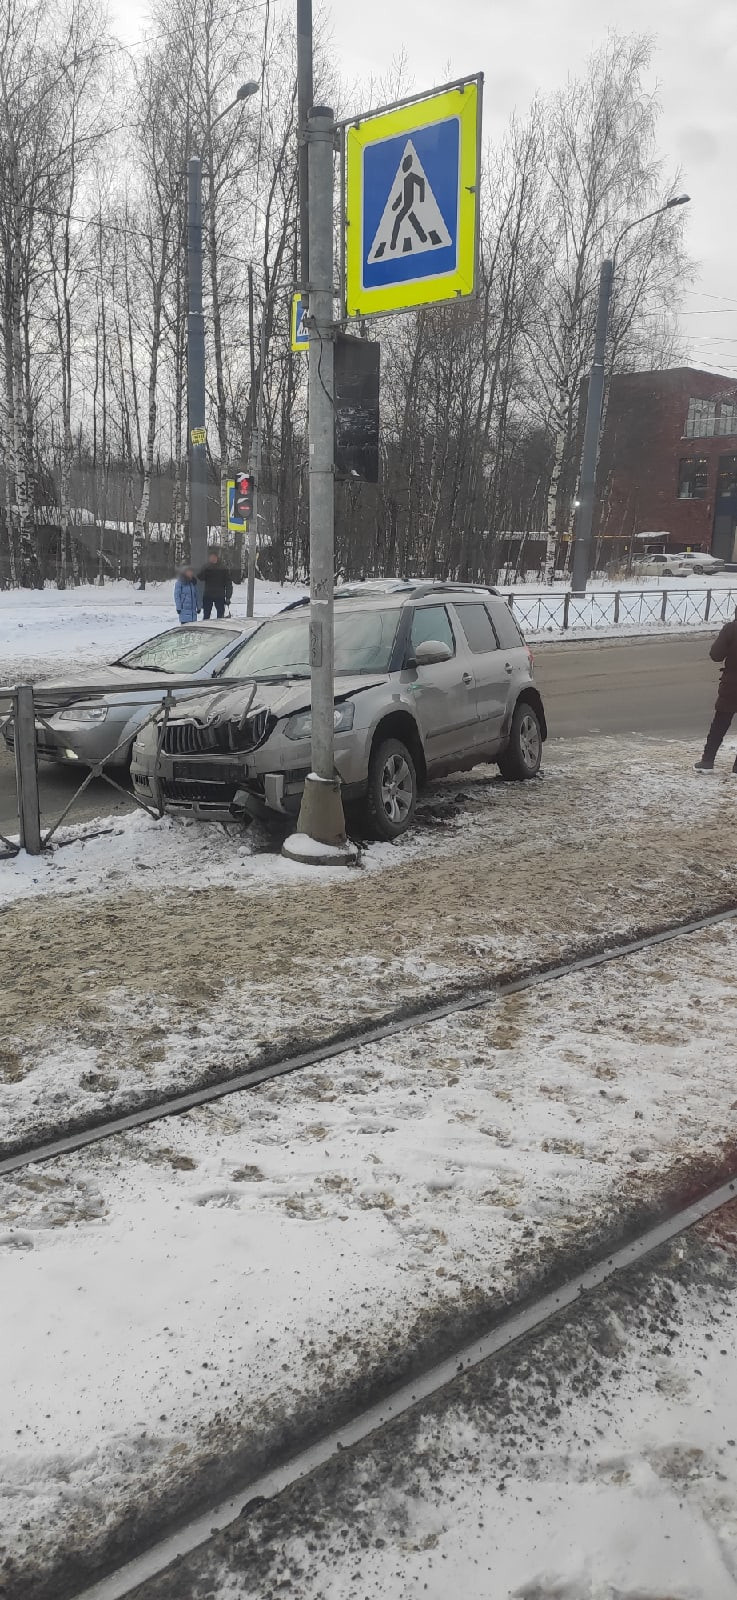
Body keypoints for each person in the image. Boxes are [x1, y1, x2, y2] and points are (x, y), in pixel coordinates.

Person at [695, 607, 737, 772]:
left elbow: (716, 655)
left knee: (719, 723)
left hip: (731, 685)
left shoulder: (731, 629)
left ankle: (707, 762)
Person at [198, 550, 233, 620]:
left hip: (219, 595)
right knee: (206, 616)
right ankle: (205, 628)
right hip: (208, 595)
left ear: (217, 558)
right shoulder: (206, 567)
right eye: (211, 557)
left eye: (214, 557)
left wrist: (228, 597)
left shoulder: (223, 568)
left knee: (220, 616)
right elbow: (200, 578)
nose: (213, 559)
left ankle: (219, 628)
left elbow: (228, 583)